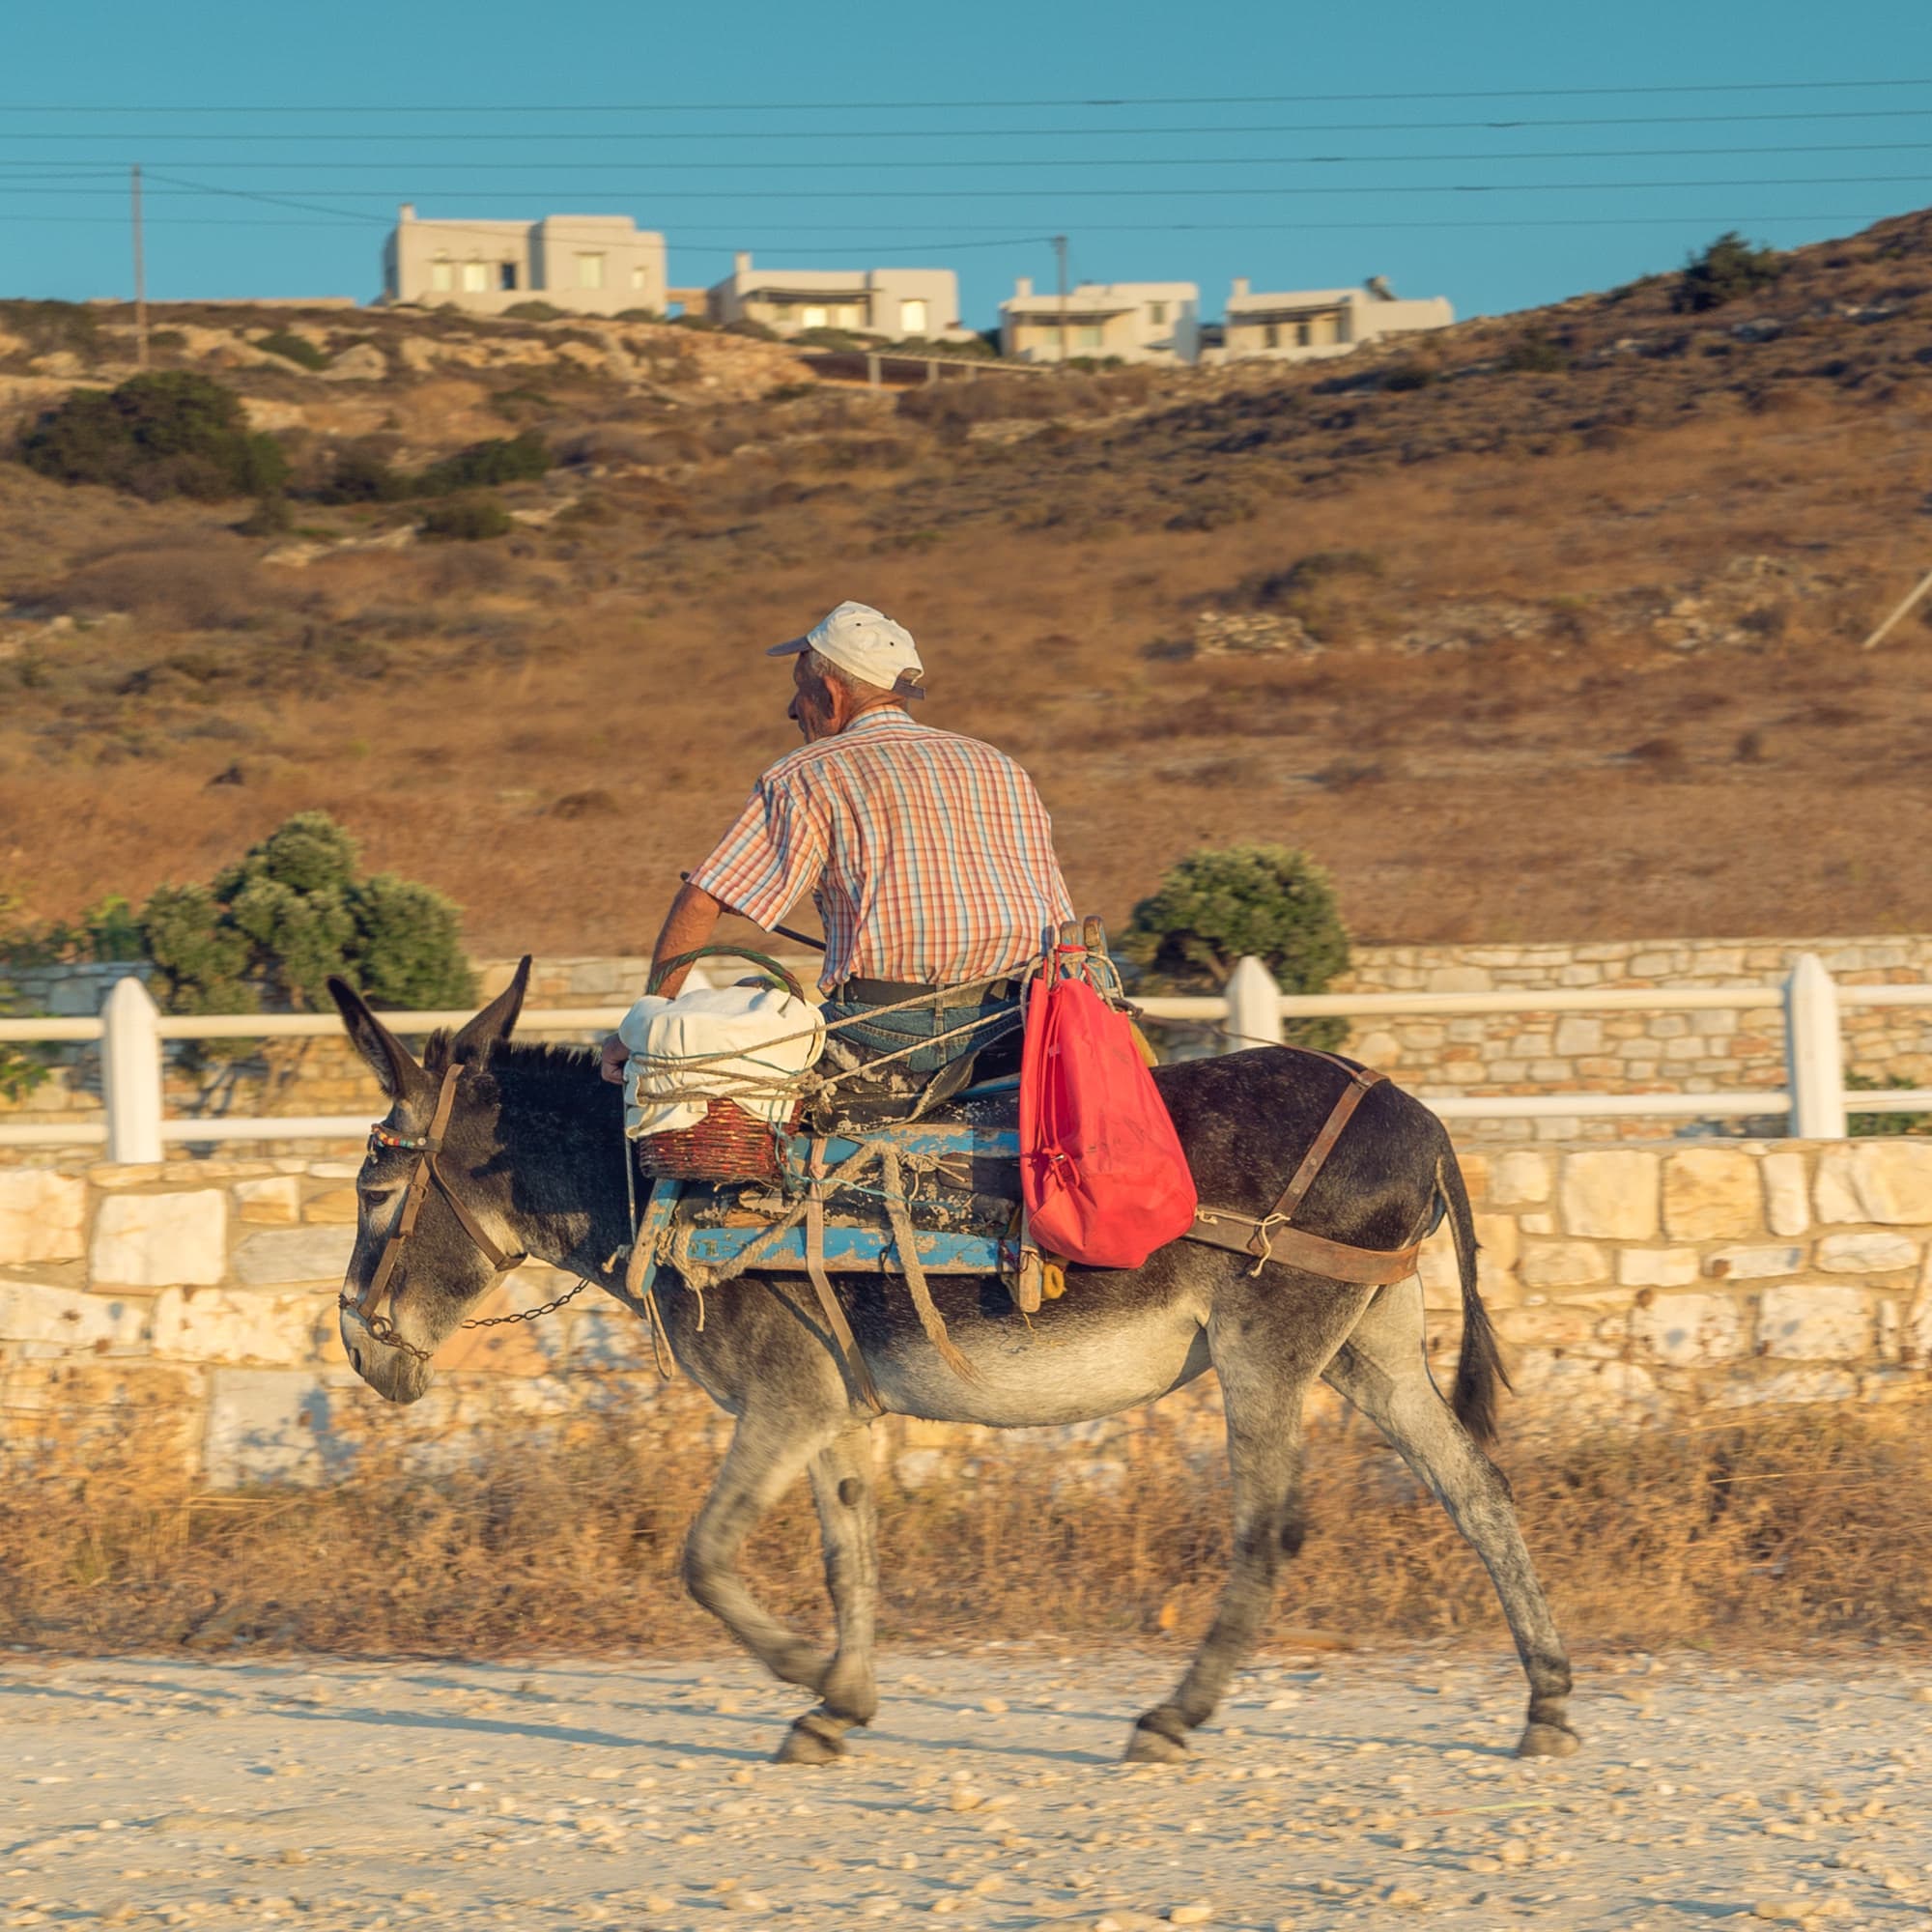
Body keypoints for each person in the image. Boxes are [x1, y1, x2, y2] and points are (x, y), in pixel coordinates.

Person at [601, 600, 1073, 1104]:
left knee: (710, 1091)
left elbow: (701, 902)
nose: (790, 710)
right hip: (1023, 1026)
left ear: (828, 693)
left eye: (798, 693)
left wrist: (640, 1029)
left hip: (889, 1035)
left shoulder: (806, 774)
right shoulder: (998, 765)